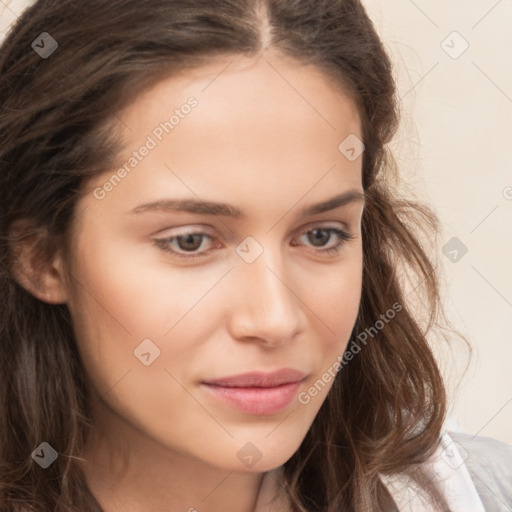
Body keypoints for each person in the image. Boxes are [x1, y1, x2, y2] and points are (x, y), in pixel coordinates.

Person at [0, 1, 511, 511]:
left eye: (320, 236)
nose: (276, 319)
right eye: (191, 241)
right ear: (42, 257)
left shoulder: (482, 493)